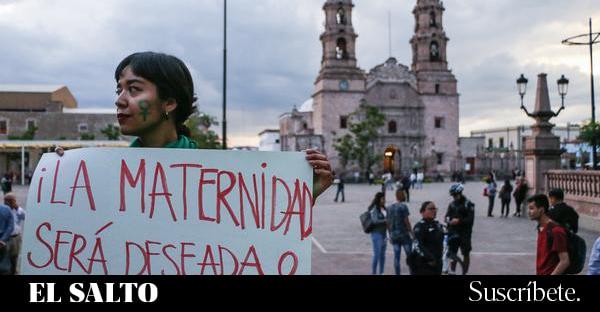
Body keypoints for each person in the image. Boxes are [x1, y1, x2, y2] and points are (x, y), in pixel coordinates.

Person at [55, 52, 333, 199]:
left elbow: (256, 231)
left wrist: (307, 194)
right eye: (119, 90)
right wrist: (61, 175)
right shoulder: (103, 172)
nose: (120, 100)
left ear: (169, 102)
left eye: (134, 89)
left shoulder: (216, 178)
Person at [528, 194, 570, 275]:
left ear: (541, 210)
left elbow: (565, 261)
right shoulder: (541, 228)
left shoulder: (556, 231)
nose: (529, 212)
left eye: (532, 208)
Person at [445, 184, 475, 274]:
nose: (454, 197)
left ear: (460, 193)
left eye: (455, 195)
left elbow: (470, 219)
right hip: (453, 231)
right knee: (452, 253)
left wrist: (459, 221)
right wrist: (448, 220)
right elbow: (447, 216)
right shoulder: (452, 204)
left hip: (464, 233)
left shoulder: (468, 204)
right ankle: (452, 272)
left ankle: (464, 273)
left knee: (465, 254)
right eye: (452, 195)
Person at [410, 201, 444, 275]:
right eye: (431, 209)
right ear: (422, 212)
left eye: (435, 209)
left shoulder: (438, 225)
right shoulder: (420, 227)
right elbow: (417, 245)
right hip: (424, 264)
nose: (434, 211)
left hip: (437, 263)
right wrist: (429, 258)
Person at [386, 190, 413, 275]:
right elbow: (406, 221)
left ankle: (397, 273)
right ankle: (412, 272)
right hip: (404, 234)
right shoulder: (403, 207)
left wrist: (390, 234)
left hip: (394, 235)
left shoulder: (389, 207)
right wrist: (411, 233)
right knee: (409, 256)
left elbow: (388, 222)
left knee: (396, 257)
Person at [5, 193, 24, 275]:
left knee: (15, 256)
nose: (8, 203)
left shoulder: (19, 210)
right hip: (5, 237)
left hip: (16, 237)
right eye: (7, 201)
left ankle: (14, 271)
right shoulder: (3, 209)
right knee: (5, 256)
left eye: (11, 201)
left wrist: (17, 208)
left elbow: (25, 217)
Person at [368, 192, 387, 275]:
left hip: (384, 234)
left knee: (382, 255)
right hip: (376, 234)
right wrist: (385, 221)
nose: (384, 200)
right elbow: (374, 221)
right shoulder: (375, 208)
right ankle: (374, 272)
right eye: (383, 198)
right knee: (377, 255)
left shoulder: (384, 208)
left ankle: (381, 272)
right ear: (379, 199)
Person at [0, 203, 14, 275]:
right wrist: (2, 240)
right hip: (3, 242)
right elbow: (10, 227)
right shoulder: (6, 209)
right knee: (4, 267)